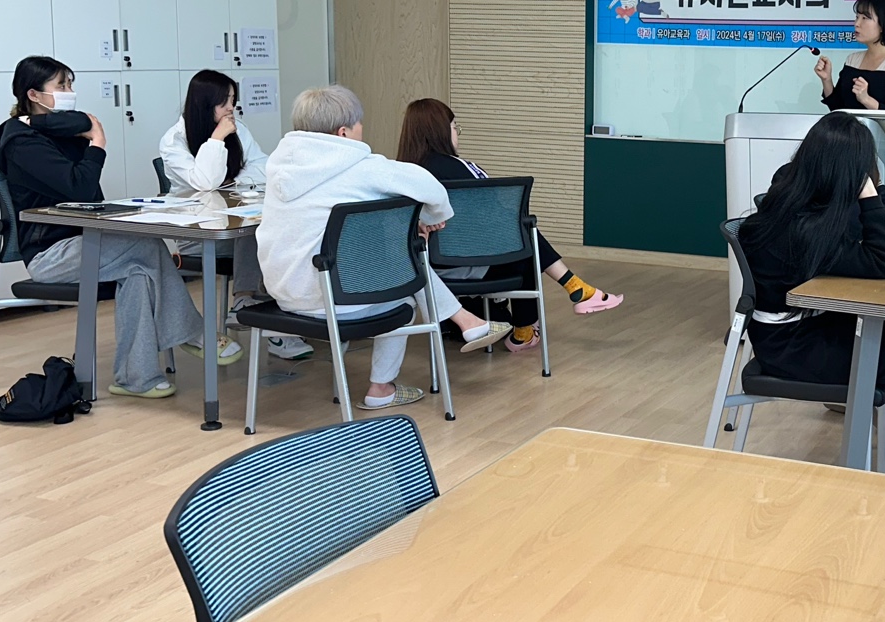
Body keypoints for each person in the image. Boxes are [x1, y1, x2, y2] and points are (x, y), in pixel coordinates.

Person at [0, 55, 234, 398]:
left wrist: (86, 130)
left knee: (139, 271)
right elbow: (80, 187)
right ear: (34, 94)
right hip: (51, 254)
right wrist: (97, 143)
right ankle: (195, 333)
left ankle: (136, 378)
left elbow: (82, 145)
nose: (69, 91)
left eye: (70, 84)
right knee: (147, 247)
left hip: (87, 242)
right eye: (61, 85)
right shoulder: (22, 143)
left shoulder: (58, 131)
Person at [258, 86, 512, 411]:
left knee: (392, 253)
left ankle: (466, 321)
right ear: (343, 132)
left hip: (286, 294)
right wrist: (431, 218)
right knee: (403, 292)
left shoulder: (278, 167)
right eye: (360, 124)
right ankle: (383, 387)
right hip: (336, 300)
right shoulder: (363, 166)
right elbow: (431, 187)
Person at [738, 111, 885, 440]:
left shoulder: (798, 196)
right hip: (791, 345)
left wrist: (869, 190)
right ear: (854, 170)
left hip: (797, 325)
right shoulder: (808, 227)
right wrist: (871, 191)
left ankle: (867, 397)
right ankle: (880, 401)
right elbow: (882, 261)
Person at [396, 98, 623, 353]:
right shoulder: (460, 167)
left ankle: (571, 291)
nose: (457, 133)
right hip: (470, 264)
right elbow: (498, 216)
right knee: (523, 234)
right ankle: (563, 297)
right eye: (454, 127)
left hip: (426, 268)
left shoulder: (402, 173)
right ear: (440, 130)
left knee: (522, 235)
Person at [159, 69, 312, 361]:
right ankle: (253, 307)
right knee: (259, 232)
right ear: (204, 104)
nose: (231, 108)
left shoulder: (238, 129)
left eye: (233, 100)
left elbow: (262, 167)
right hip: (199, 234)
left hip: (237, 228)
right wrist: (217, 139)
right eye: (224, 102)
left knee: (270, 230)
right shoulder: (174, 141)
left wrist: (234, 181)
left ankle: (261, 309)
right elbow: (204, 181)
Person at [815, 0, 885, 112]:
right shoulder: (852, 60)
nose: (857, 23)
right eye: (857, 17)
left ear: (883, 25)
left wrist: (866, 100)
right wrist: (826, 79)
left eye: (865, 18)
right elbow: (838, 109)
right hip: (847, 125)